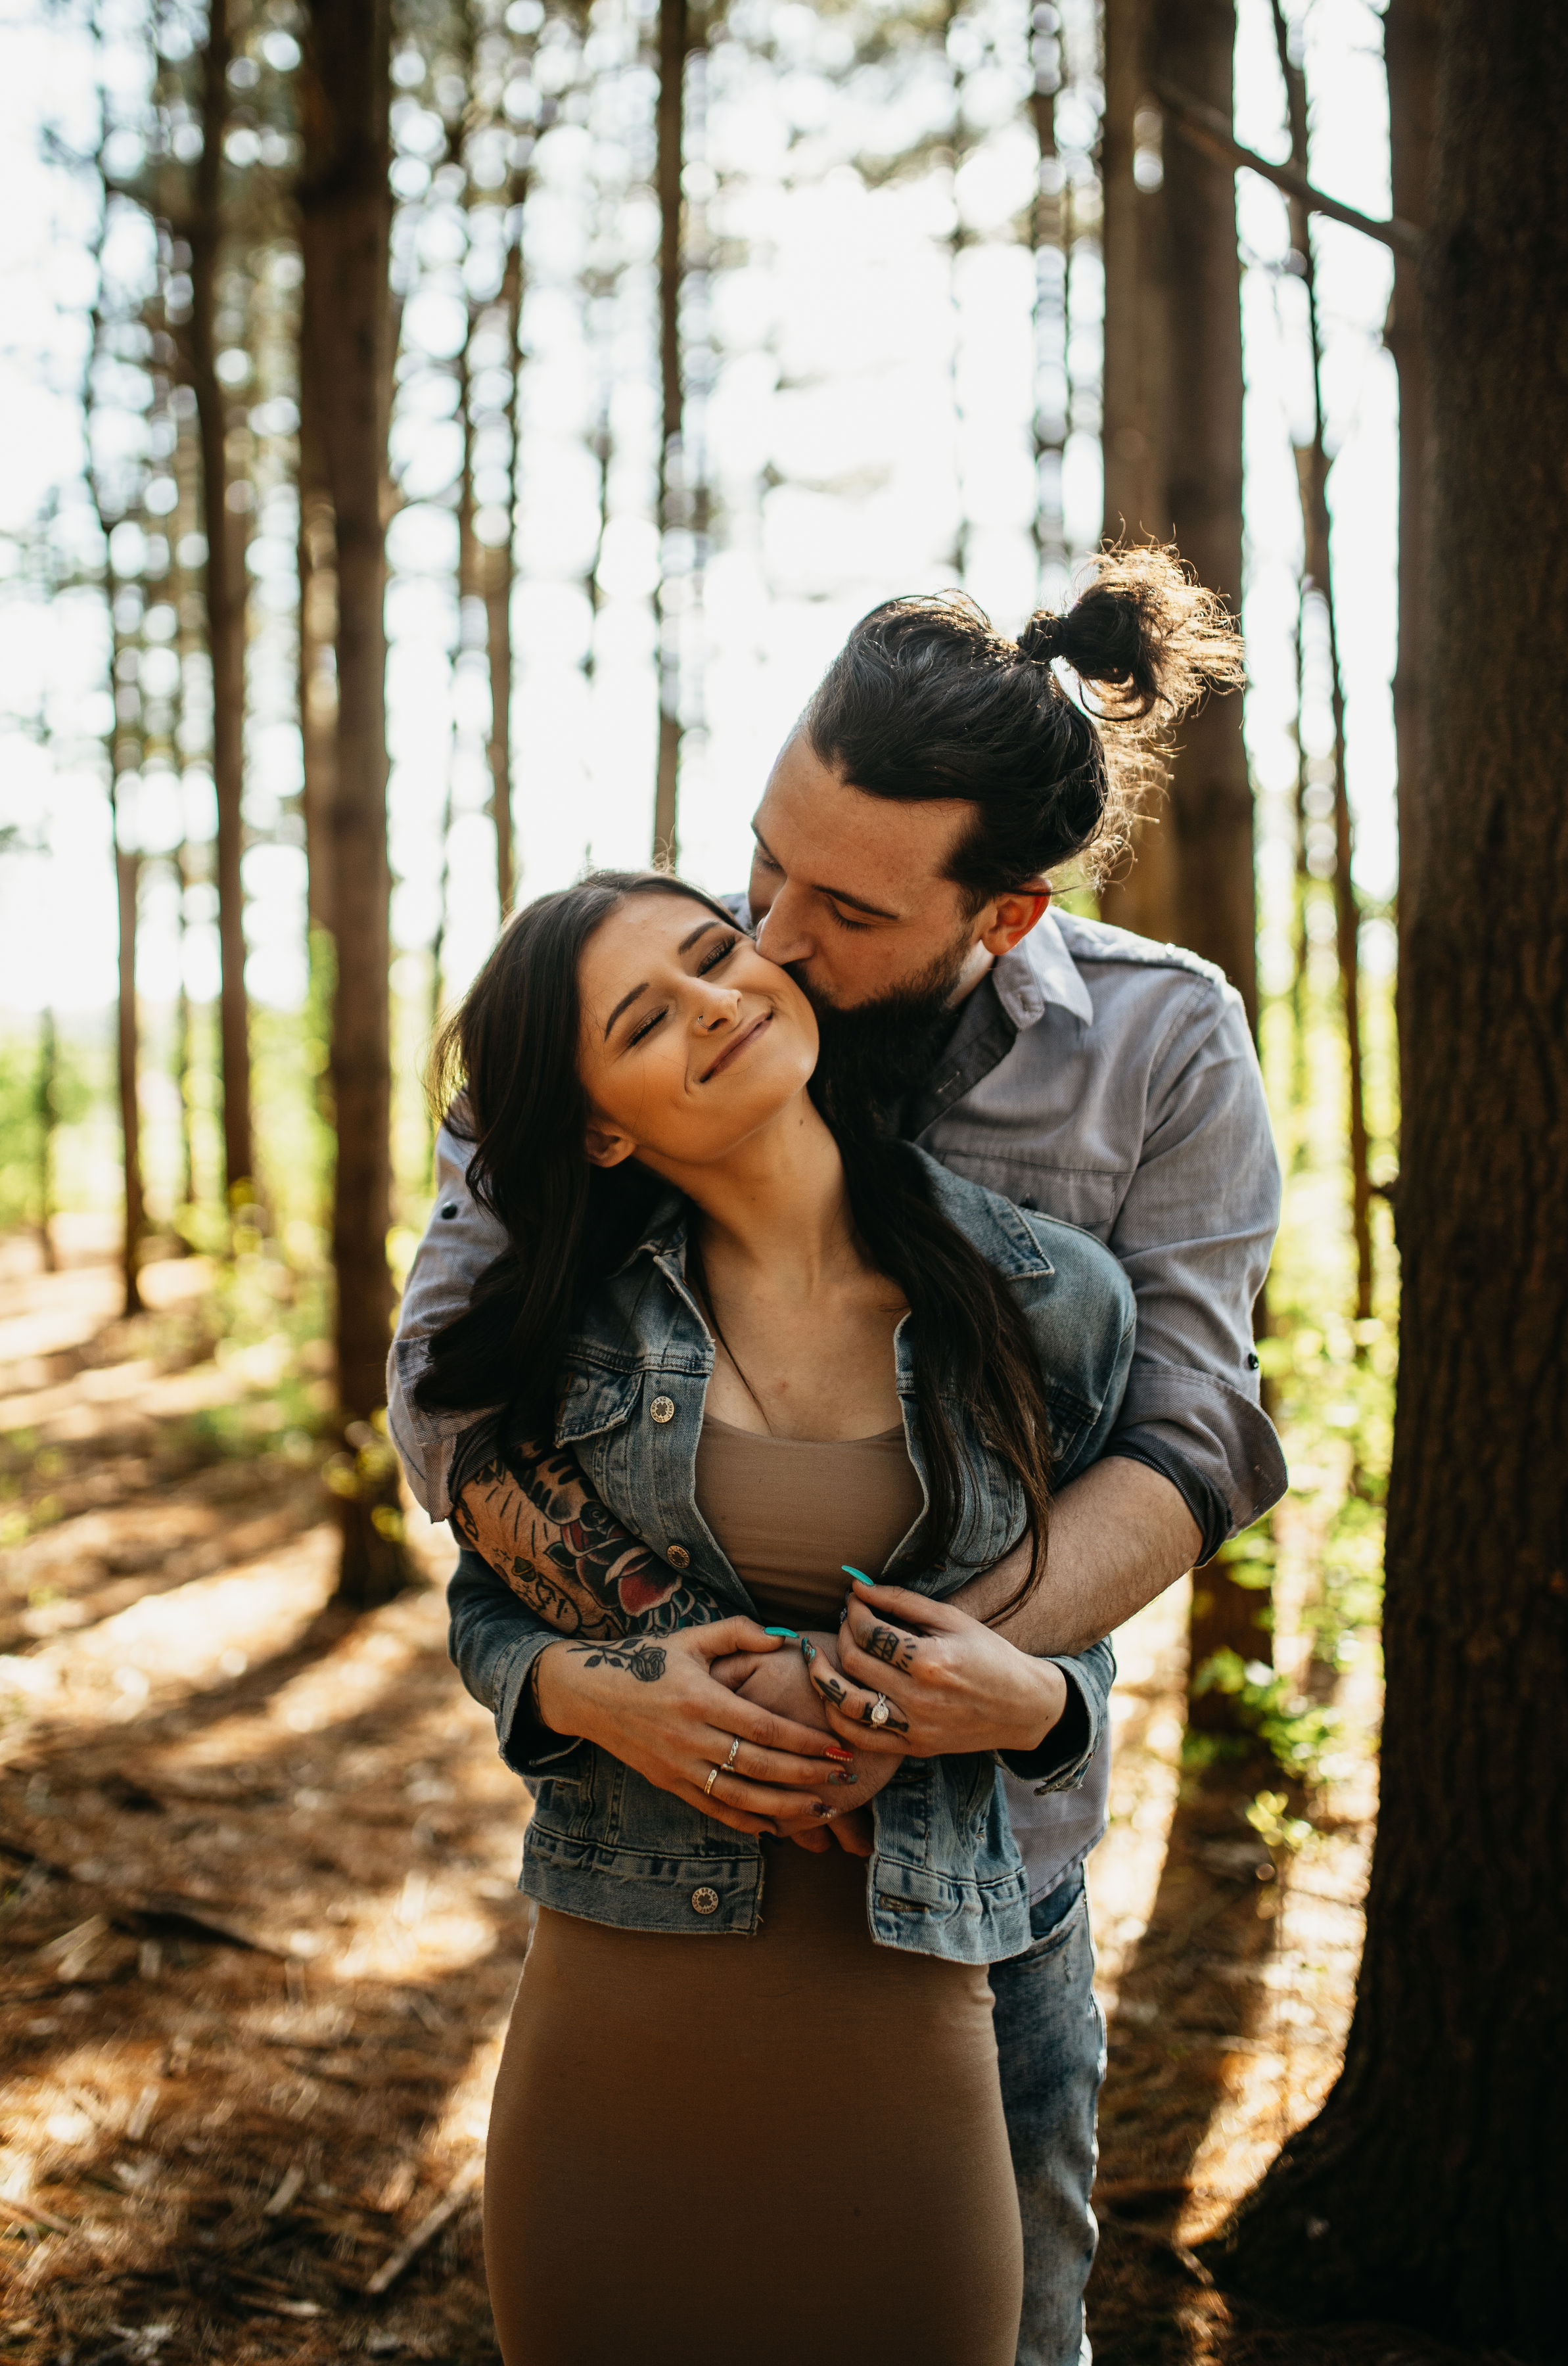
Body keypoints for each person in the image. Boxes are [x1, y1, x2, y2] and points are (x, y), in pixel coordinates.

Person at [391, 546, 1286, 2366]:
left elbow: (1191, 1429)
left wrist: (957, 1675)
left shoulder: (1161, 1050)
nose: (772, 942)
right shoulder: (620, 1002)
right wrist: (618, 1666)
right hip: (647, 1891)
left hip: (994, 1883)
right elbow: (446, 1389)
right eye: (764, 859)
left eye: (850, 912)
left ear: (1007, 915)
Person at [426, 867, 1138, 2365]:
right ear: (604, 1124)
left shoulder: (1050, 1300)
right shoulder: (565, 1333)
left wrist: (1048, 1707)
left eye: (714, 955)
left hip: (912, 2002)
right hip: (619, 1995)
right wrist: (595, 1689)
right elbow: (492, 1611)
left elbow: (1071, 1620)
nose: (714, 1003)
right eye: (643, 1016)